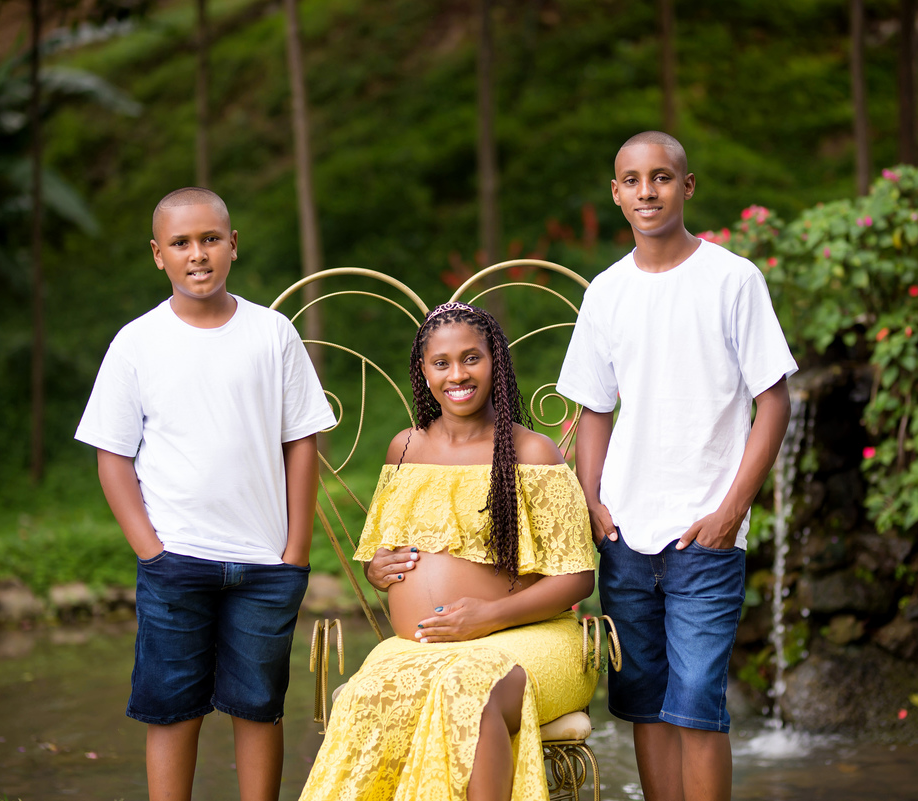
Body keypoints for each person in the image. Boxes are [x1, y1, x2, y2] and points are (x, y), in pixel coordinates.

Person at [556, 131, 797, 801]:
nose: (647, 191)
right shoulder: (606, 292)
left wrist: (731, 511)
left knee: (697, 702)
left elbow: (773, 401)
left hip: (705, 532)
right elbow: (595, 408)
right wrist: (593, 497)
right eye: (632, 180)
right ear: (616, 193)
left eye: (661, 177)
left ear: (686, 186)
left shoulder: (732, 279)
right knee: (645, 699)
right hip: (625, 532)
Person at [74, 187, 336, 801]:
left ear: (233, 245)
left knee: (258, 706)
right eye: (181, 243)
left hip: (265, 562)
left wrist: (295, 551)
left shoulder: (272, 334)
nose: (198, 254)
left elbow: (301, 441)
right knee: (172, 709)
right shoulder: (137, 344)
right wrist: (150, 550)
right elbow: (112, 454)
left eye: (210, 239)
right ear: (157, 255)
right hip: (175, 562)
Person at [298, 301, 597, 801]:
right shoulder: (406, 448)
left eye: (471, 358)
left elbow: (578, 578)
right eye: (441, 363)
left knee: (470, 690)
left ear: (495, 362)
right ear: (424, 371)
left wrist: (489, 617)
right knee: (365, 696)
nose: (457, 374)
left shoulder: (531, 453)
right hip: (423, 648)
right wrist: (378, 570)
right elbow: (381, 557)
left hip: (528, 639)